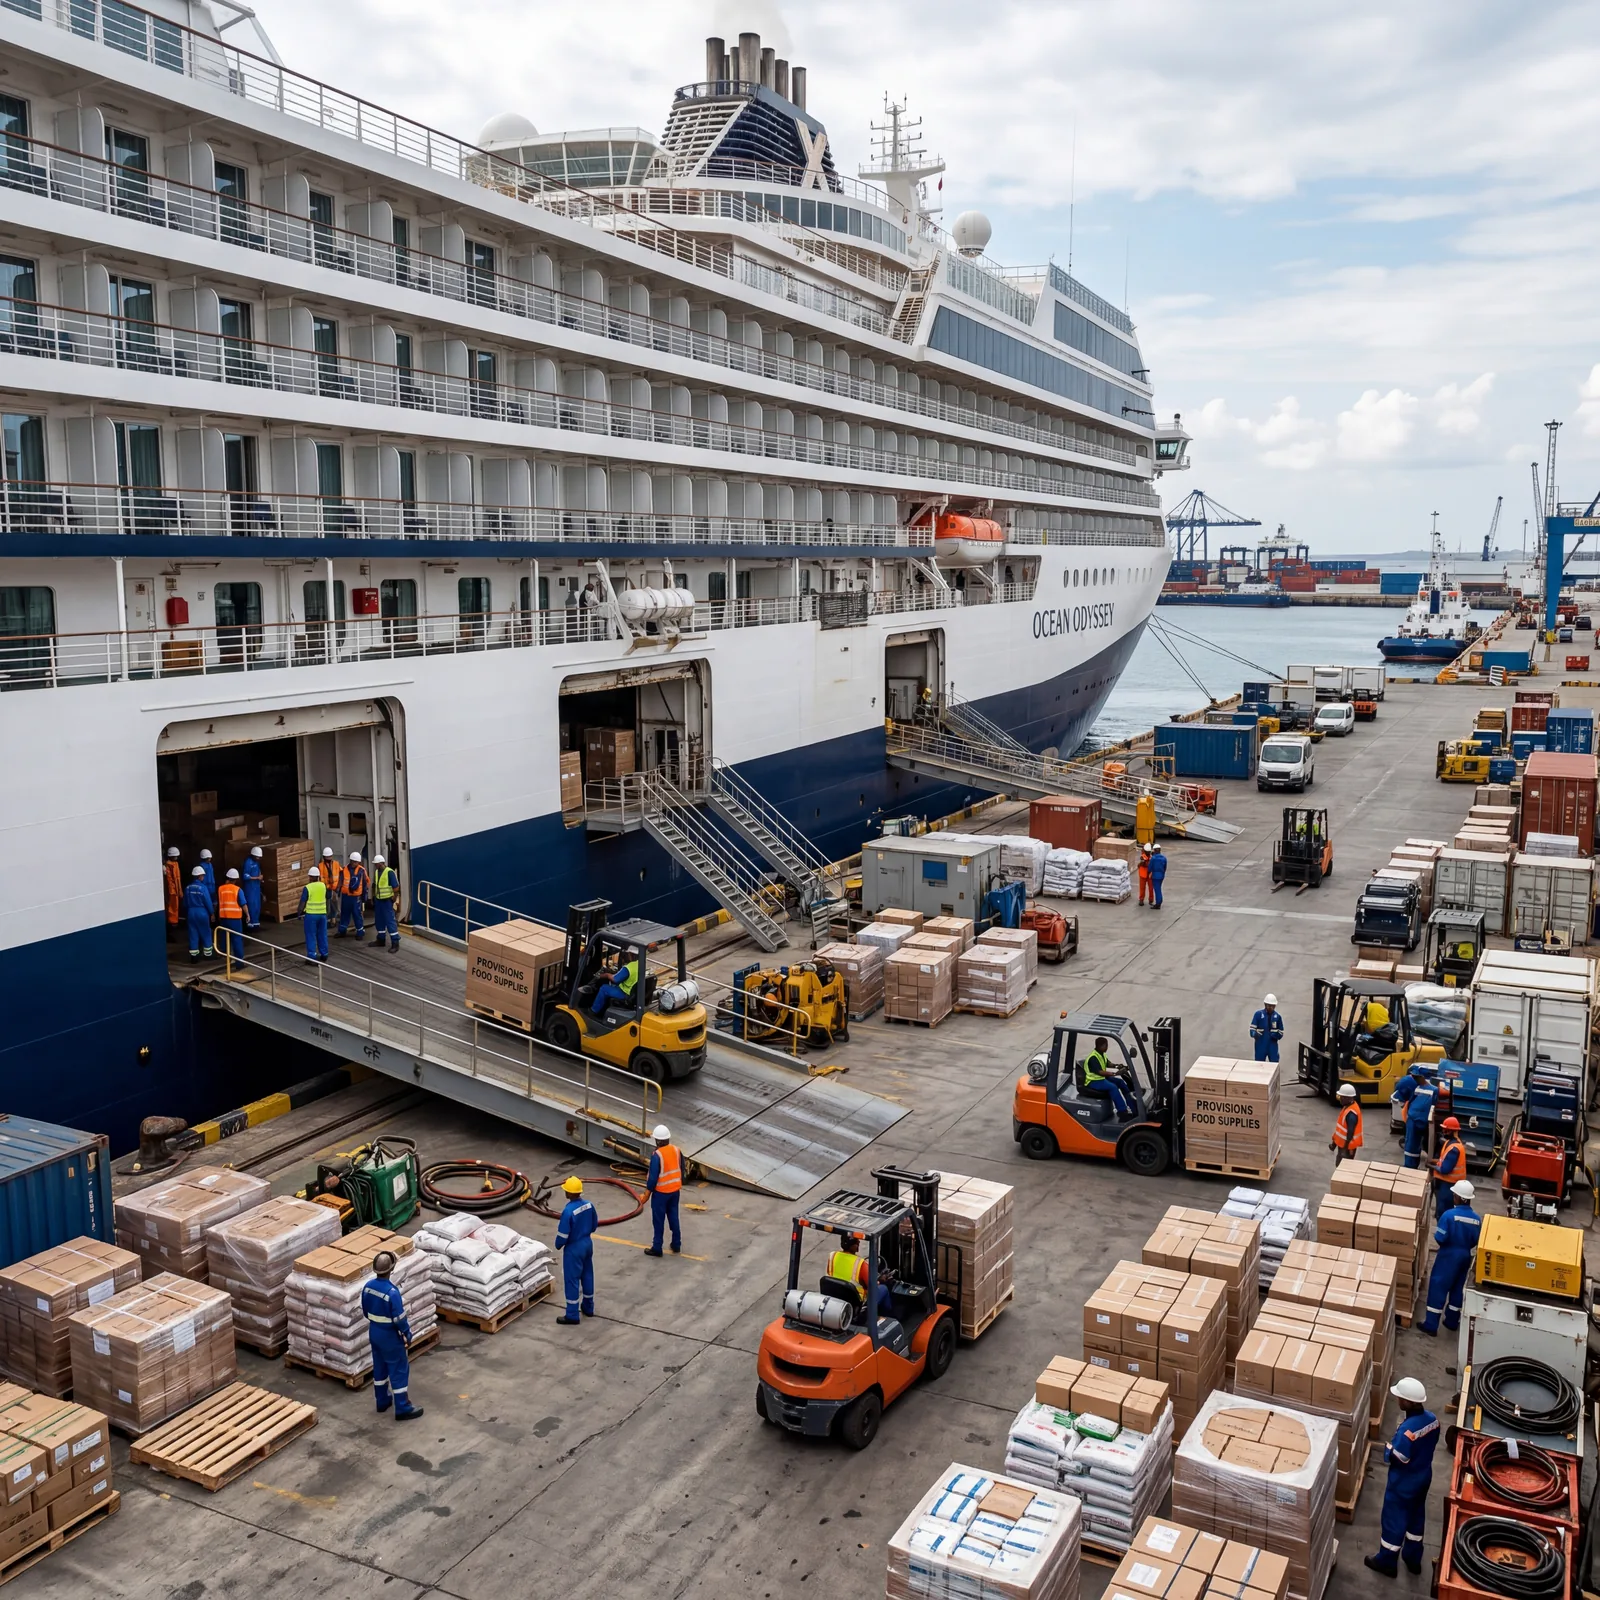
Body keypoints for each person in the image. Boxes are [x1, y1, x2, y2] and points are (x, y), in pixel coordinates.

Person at [1364, 1377, 1438, 1577]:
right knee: (1416, 1517)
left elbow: (1400, 1456)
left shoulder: (1407, 1430)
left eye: (1400, 1398)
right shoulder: (1432, 1420)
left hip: (1404, 1482)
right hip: (1423, 1476)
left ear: (1408, 1402)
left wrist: (1388, 1448)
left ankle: (1387, 1562)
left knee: (1394, 1520)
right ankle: (1413, 1559)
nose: (1397, 1400)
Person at [361, 1250, 423, 1421]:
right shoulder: (392, 1292)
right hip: (389, 1335)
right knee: (398, 1369)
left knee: (379, 1367)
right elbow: (399, 1318)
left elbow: (365, 1311)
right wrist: (406, 1333)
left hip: (374, 1332)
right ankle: (403, 1407)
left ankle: (382, 1401)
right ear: (391, 1269)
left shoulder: (367, 1287)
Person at [1420, 1180, 1481, 1336]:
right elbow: (1476, 1240)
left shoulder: (1448, 1216)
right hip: (1465, 1256)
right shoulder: (1476, 1219)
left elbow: (1440, 1238)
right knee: (1457, 1289)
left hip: (1448, 1255)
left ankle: (1431, 1325)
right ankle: (1452, 1321)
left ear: (1459, 1197)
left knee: (1438, 1286)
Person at [554, 1175, 598, 1325]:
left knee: (572, 1280)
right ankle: (588, 1307)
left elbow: (563, 1235)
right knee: (587, 1275)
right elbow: (594, 1225)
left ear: (570, 1193)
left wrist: (558, 1244)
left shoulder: (568, 1211)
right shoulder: (589, 1205)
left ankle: (572, 1314)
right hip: (587, 1243)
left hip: (574, 1248)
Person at [827, 1235, 891, 1318]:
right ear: (852, 1246)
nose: (859, 1243)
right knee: (884, 1289)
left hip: (835, 1298)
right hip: (856, 1304)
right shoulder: (861, 1264)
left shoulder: (833, 1256)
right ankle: (888, 1317)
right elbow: (872, 1286)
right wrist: (880, 1280)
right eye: (856, 1242)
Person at [643, 1123, 682, 1258]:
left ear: (657, 1140)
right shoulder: (677, 1150)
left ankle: (657, 1247)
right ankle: (676, 1244)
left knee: (658, 1220)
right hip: (675, 1191)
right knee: (673, 1216)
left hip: (661, 1193)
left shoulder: (657, 1155)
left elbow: (653, 1178)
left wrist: (646, 1194)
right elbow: (681, 1168)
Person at [1080, 1035, 1135, 1118]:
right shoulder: (1093, 1057)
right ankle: (1122, 1112)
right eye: (1106, 1045)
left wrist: (1117, 1066)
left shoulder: (1101, 1054)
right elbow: (1100, 1072)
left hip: (1101, 1079)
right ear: (1100, 1046)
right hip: (1093, 1081)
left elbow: (1108, 1063)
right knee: (1113, 1087)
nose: (1107, 1047)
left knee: (1120, 1082)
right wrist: (1114, 1073)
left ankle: (1133, 1106)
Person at [1430, 1117, 1468, 1218]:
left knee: (1443, 1213)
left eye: (1446, 1130)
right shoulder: (1448, 1143)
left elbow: (1445, 1170)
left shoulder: (1454, 1149)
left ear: (1453, 1131)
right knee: (1440, 1211)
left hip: (1449, 1186)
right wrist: (1435, 1162)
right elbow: (1443, 1161)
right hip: (1445, 1184)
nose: (1443, 1132)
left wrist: (1432, 1166)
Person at [1402, 1065, 1437, 1169]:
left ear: (1422, 1077)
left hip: (1425, 1123)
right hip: (1413, 1120)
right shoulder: (1416, 1088)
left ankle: (1413, 1165)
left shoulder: (1434, 1090)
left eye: (1416, 1076)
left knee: (1422, 1145)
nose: (1414, 1078)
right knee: (1411, 1145)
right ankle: (1410, 1166)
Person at [590, 948, 640, 1016]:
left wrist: (606, 975)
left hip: (625, 994)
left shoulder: (628, 968)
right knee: (610, 986)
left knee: (604, 988)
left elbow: (615, 979)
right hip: (632, 993)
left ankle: (593, 1011)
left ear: (631, 954)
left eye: (628, 954)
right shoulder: (640, 964)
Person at [370, 854, 401, 951]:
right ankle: (381, 939)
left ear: (381, 863)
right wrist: (373, 897)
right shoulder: (376, 872)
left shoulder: (389, 872)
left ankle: (395, 942)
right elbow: (374, 885)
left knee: (390, 921)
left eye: (376, 864)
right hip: (379, 900)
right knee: (379, 920)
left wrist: (394, 898)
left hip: (387, 901)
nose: (375, 865)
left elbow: (396, 887)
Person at [299, 865, 329, 961]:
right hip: (322, 915)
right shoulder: (323, 885)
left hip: (311, 915)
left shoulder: (308, 888)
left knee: (311, 935)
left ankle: (312, 956)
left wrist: (299, 913)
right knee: (322, 934)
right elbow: (328, 896)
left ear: (311, 877)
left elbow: (303, 902)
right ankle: (324, 954)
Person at [184, 865, 214, 962]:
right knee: (205, 932)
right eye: (203, 876)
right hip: (202, 912)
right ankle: (208, 954)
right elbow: (208, 902)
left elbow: (184, 902)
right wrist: (212, 913)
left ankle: (194, 957)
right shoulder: (203, 888)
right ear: (200, 876)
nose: (203, 877)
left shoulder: (188, 888)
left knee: (193, 933)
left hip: (191, 912)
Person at [216, 868, 245, 960]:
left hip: (224, 918)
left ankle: (225, 959)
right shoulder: (238, 890)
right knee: (237, 940)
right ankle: (239, 963)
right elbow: (243, 904)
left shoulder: (220, 889)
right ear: (236, 880)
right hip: (235, 919)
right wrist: (248, 915)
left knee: (224, 939)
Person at [338, 851, 368, 939]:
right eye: (352, 861)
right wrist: (338, 890)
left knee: (357, 914)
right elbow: (341, 880)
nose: (353, 863)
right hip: (346, 896)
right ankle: (342, 931)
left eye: (355, 862)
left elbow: (365, 883)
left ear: (358, 862)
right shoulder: (344, 869)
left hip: (356, 897)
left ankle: (360, 932)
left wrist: (364, 897)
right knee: (344, 914)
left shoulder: (362, 871)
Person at [1330, 1083, 1363, 1164]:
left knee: (1342, 1166)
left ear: (1348, 1098)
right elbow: (1340, 1130)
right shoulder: (1347, 1107)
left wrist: (1345, 1149)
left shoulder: (1351, 1114)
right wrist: (1334, 1144)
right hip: (1343, 1146)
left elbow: (1350, 1133)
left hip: (1347, 1147)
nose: (1340, 1099)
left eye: (1342, 1097)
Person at [1250, 995, 1284, 1063]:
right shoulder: (1258, 1014)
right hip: (1261, 1044)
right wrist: (1255, 1034)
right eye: (1269, 1005)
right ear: (1265, 1005)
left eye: (1273, 1006)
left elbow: (1281, 1032)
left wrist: (1275, 1035)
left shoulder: (1277, 1017)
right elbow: (1252, 1030)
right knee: (1259, 1064)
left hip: (1272, 1045)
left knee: (1274, 1064)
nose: (1271, 1008)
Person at [320, 847, 344, 928]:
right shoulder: (321, 866)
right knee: (327, 904)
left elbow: (341, 874)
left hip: (335, 887)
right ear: (324, 857)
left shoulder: (336, 864)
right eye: (327, 857)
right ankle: (327, 920)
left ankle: (333, 919)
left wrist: (338, 887)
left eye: (330, 857)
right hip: (326, 888)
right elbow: (320, 878)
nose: (329, 858)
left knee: (334, 902)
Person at [241, 844, 264, 931]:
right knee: (251, 904)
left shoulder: (257, 863)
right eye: (257, 857)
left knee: (257, 905)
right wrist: (256, 878)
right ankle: (250, 923)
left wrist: (260, 879)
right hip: (250, 888)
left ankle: (256, 922)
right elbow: (245, 876)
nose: (258, 858)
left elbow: (258, 872)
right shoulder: (248, 862)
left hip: (256, 887)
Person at [163, 847, 183, 942]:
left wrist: (179, 891)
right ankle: (172, 924)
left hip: (175, 891)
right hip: (172, 892)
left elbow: (177, 879)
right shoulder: (169, 866)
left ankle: (174, 923)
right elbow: (171, 880)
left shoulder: (174, 865)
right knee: (172, 909)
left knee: (174, 908)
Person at [1147, 844, 1167, 908]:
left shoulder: (1153, 858)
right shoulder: (1164, 858)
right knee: (1159, 888)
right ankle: (1158, 902)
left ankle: (1158, 903)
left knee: (1157, 889)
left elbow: (1150, 868)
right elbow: (1165, 867)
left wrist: (1149, 873)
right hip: (1161, 875)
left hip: (1155, 876)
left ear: (1154, 850)